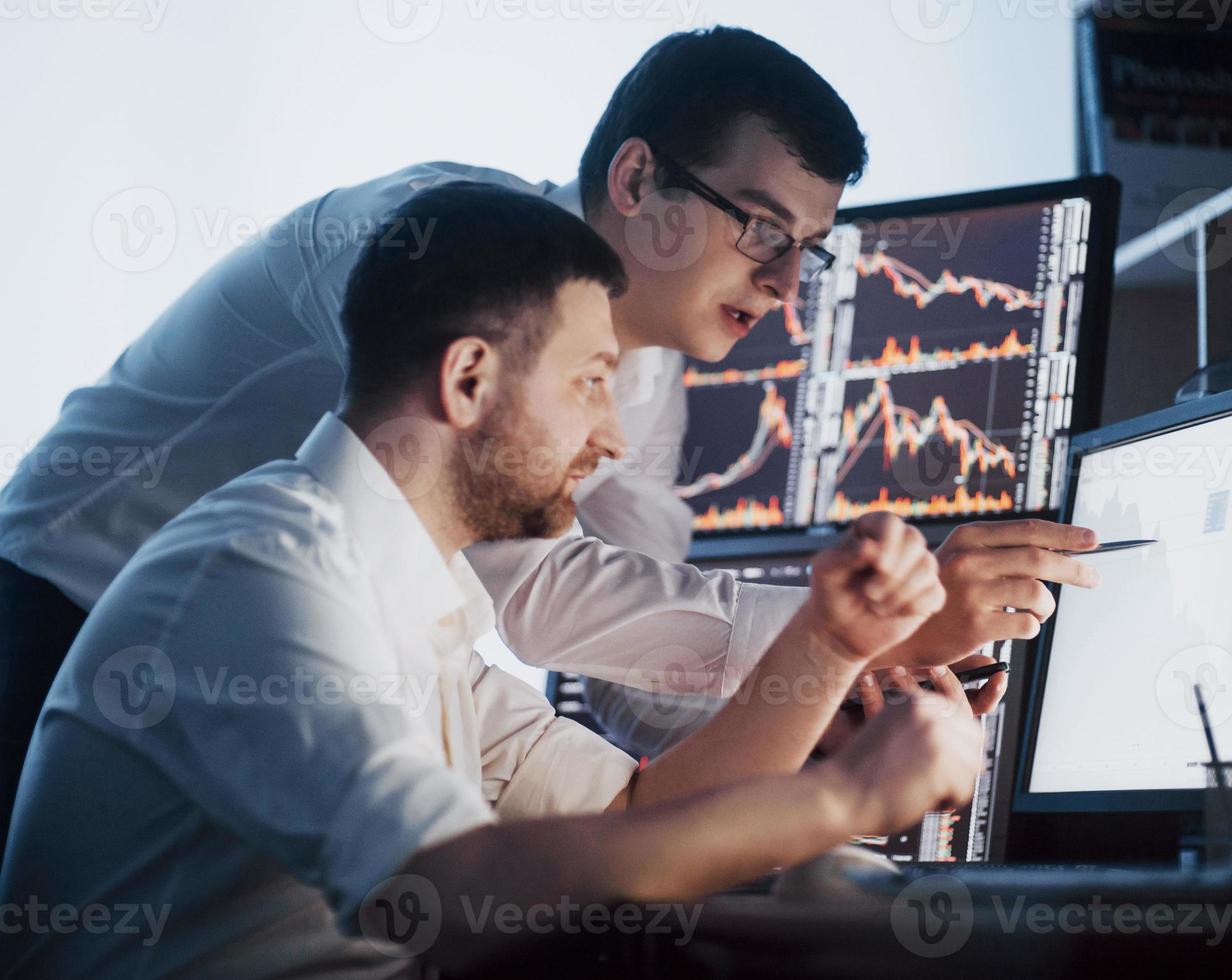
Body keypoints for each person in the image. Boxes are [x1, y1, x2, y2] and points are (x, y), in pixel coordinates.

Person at [0, 27, 1099, 842]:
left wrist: (817, 698)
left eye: (805, 248)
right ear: (636, 180)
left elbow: (622, 663)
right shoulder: (430, 253)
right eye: (763, 228)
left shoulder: (642, 371)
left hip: (299, 668)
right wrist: (873, 627)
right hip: (61, 620)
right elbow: (534, 596)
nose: (785, 290)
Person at [0, 183, 986, 976]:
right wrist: (846, 801)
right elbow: (450, 897)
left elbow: (641, 820)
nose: (609, 438)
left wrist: (829, 643)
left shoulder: (424, 610)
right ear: (468, 380)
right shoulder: (260, 573)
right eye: (590, 381)